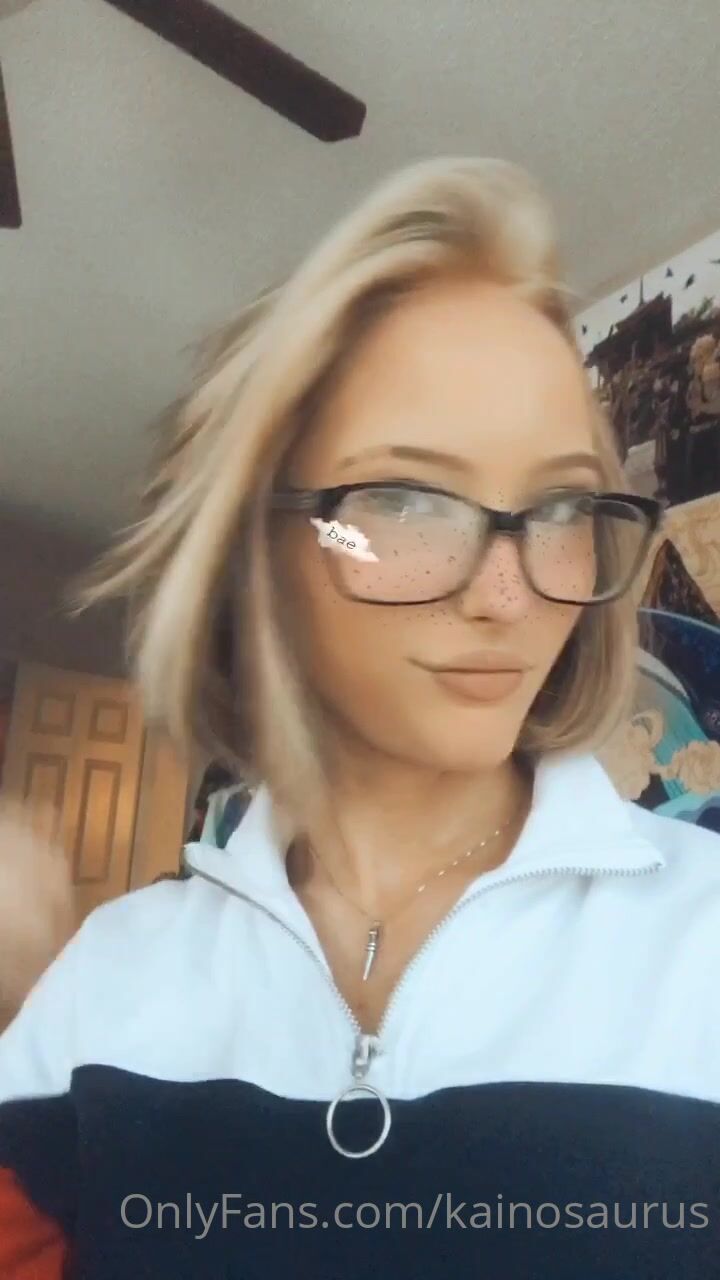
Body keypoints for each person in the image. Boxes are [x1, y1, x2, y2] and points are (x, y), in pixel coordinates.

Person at [1, 157, 719, 1279]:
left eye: (561, 506)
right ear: (256, 547)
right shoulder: (111, 979)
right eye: (406, 497)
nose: (507, 594)